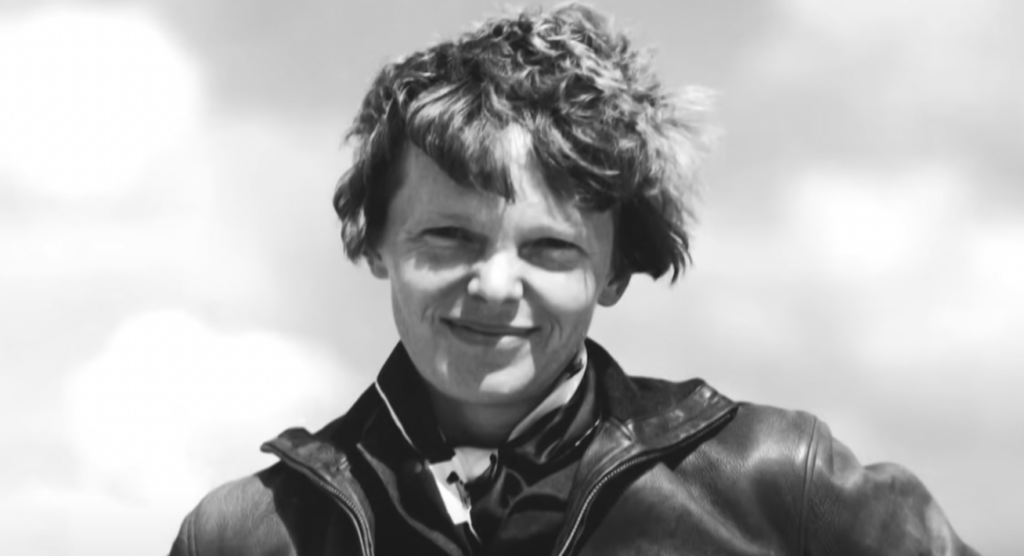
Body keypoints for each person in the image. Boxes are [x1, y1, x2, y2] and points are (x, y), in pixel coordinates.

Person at [170, 4, 979, 555]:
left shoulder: (780, 482)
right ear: (375, 239)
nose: (493, 285)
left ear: (618, 268)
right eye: (449, 235)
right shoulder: (244, 534)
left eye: (550, 248)